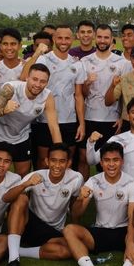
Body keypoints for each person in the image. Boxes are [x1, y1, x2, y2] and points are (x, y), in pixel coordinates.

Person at [63, 142, 134, 266]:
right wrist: (81, 199)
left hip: (123, 232)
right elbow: (76, 216)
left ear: (122, 162)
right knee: (69, 229)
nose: (111, 164)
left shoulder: (132, 182)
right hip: (99, 232)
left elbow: (132, 218)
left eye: (115, 160)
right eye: (107, 160)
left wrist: (130, 243)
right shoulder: (93, 181)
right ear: (101, 162)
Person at [4, 143, 83, 266]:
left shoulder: (76, 178)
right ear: (47, 161)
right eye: (53, 160)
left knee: (70, 250)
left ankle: (17, 250)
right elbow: (6, 198)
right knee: (21, 198)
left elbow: (74, 208)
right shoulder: (36, 175)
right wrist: (26, 184)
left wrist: (76, 231)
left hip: (52, 231)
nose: (57, 165)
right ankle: (13, 261)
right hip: (30, 225)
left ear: (69, 163)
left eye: (62, 161)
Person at [21, 24, 86, 169]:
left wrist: (81, 123)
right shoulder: (44, 60)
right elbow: (24, 76)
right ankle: (38, 191)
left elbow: (79, 95)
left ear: (73, 39)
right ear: (54, 39)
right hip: (44, 120)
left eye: (67, 38)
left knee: (66, 161)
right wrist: (37, 53)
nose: (63, 41)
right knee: (43, 161)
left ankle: (65, 191)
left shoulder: (77, 64)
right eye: (60, 38)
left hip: (69, 120)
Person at [0, 63, 62, 176]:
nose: (38, 84)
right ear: (27, 78)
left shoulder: (47, 96)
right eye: (34, 79)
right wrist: (4, 110)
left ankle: (19, 193)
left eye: (42, 81)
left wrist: (59, 152)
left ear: (47, 83)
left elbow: (54, 126)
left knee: (23, 172)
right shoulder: (10, 89)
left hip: (21, 136)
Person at [79, 24, 132, 178]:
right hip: (89, 117)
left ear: (111, 39)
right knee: (84, 158)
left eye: (106, 37)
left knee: (110, 159)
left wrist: (122, 117)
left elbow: (125, 94)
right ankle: (85, 191)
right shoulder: (85, 61)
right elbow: (82, 93)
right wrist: (87, 83)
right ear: (96, 38)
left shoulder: (122, 63)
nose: (102, 40)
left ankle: (109, 191)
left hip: (111, 119)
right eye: (100, 37)